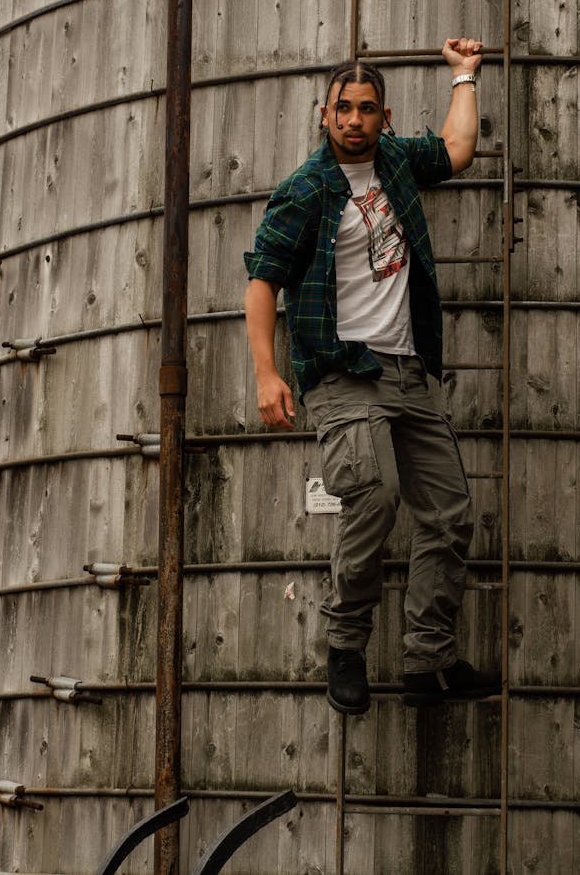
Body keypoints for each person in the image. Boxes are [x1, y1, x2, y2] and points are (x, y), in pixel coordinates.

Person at [243, 42, 500, 714]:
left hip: (408, 371)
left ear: (382, 117)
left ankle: (428, 660)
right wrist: (268, 375)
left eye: (364, 110)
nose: (352, 121)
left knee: (449, 515)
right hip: (342, 374)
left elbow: (456, 148)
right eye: (341, 109)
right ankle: (347, 645)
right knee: (376, 496)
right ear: (324, 113)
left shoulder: (394, 161)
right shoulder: (306, 190)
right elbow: (263, 280)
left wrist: (464, 75)